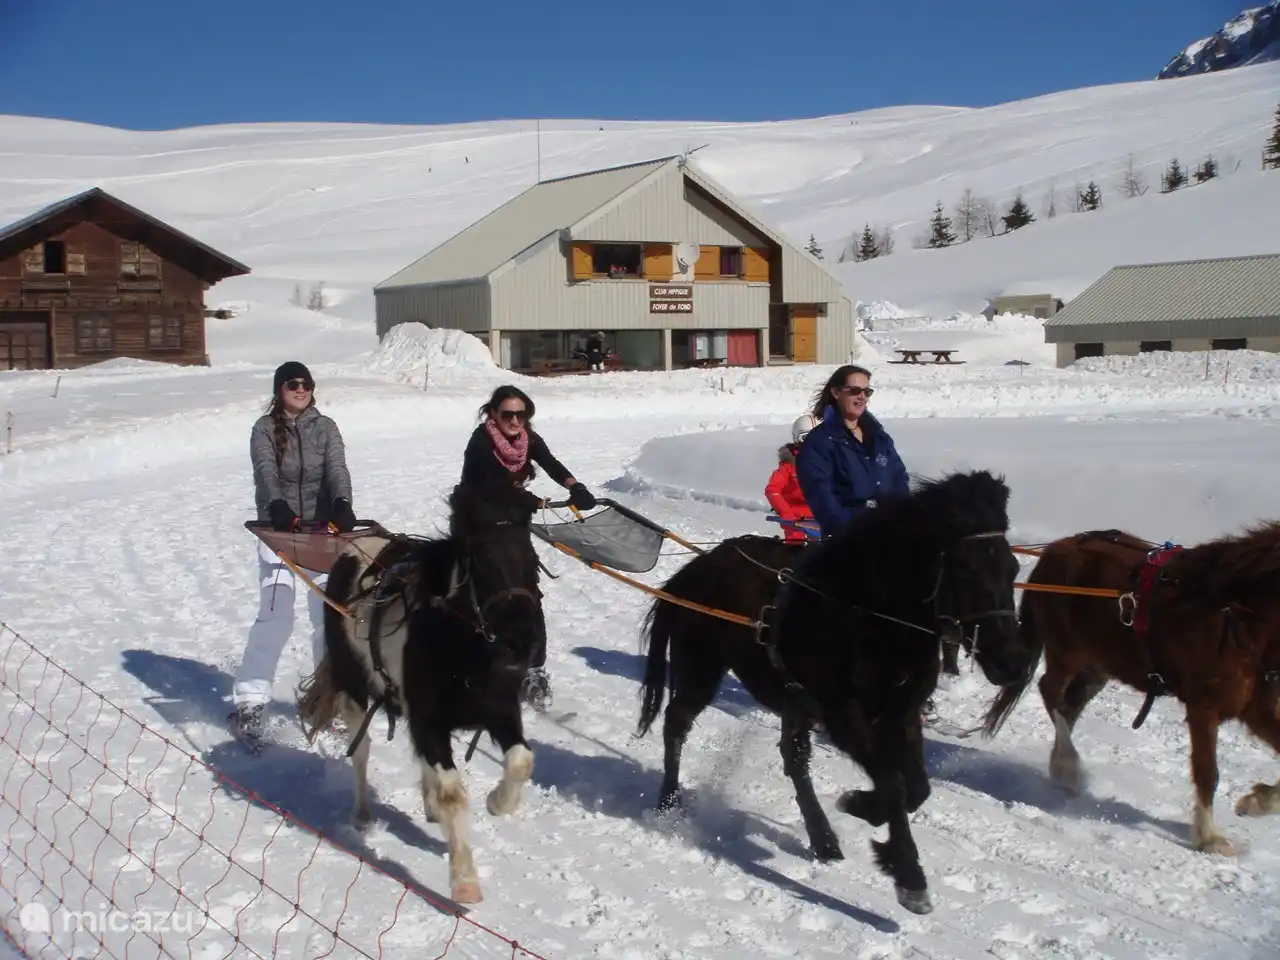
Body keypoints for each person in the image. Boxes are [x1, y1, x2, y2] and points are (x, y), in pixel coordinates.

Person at [230, 361, 357, 749]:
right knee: (276, 615)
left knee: (329, 618)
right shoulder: (264, 429)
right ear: (279, 389)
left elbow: (337, 469)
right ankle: (250, 701)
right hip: (280, 533)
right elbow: (265, 473)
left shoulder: (326, 427)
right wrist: (279, 507)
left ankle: (328, 701)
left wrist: (342, 503)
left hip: (321, 534)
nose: (300, 389)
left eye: (306, 384)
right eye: (292, 384)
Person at [457, 385, 597, 710]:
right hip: (477, 519)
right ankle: (472, 663)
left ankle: (534, 670)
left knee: (527, 592)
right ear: (493, 413)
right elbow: (490, 485)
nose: (516, 420)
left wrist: (575, 486)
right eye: (508, 414)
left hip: (512, 520)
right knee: (479, 589)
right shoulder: (481, 441)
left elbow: (550, 463)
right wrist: (527, 500)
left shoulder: (526, 439)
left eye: (522, 414)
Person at [795, 364, 909, 538]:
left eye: (866, 392)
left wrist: (902, 518)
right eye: (855, 390)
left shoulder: (879, 437)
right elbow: (822, 496)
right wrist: (851, 529)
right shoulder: (820, 443)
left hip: (889, 533)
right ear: (836, 392)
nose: (862, 397)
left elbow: (898, 478)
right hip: (848, 541)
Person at [766, 414, 818, 542]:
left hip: (822, 518)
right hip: (796, 521)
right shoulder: (788, 467)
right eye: (807, 437)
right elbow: (772, 490)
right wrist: (785, 513)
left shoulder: (828, 463)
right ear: (797, 439)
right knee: (796, 551)